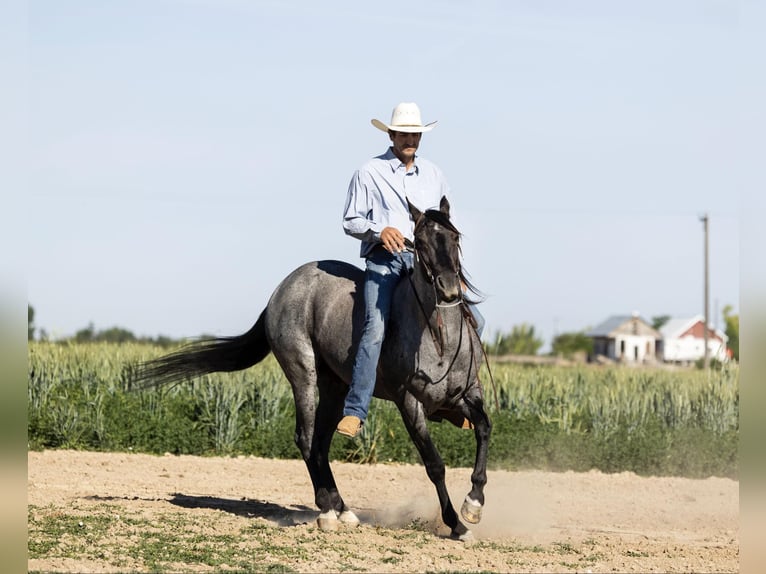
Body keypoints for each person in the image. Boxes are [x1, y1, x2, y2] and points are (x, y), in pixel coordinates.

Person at [337, 102, 484, 438]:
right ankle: (355, 411)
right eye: (404, 134)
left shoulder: (434, 175)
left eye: (415, 134)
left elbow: (448, 225)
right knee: (375, 328)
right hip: (385, 260)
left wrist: (453, 269)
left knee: (477, 321)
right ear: (391, 134)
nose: (410, 140)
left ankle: (452, 400)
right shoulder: (369, 172)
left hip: (427, 264)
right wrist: (379, 230)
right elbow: (350, 220)